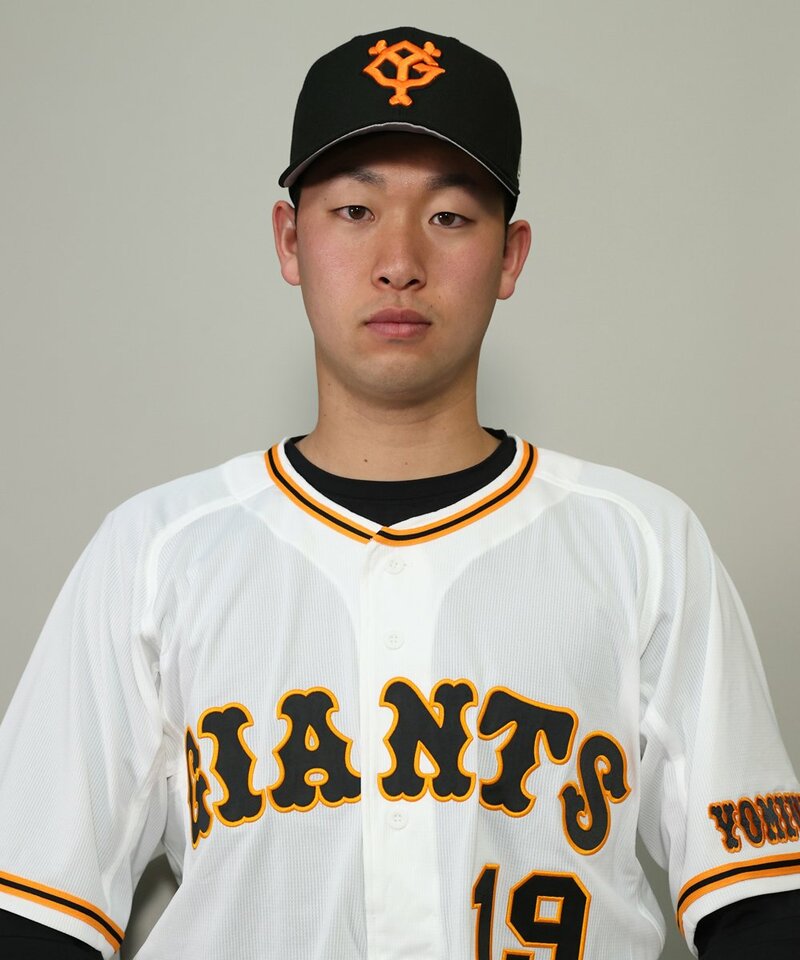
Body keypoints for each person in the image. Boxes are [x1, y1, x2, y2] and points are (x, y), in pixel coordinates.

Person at [0, 24, 798, 960]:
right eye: (354, 210)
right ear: (290, 240)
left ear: (511, 256)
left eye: (450, 216)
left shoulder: (644, 545)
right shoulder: (153, 552)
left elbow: (762, 912)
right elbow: (34, 918)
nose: (399, 260)